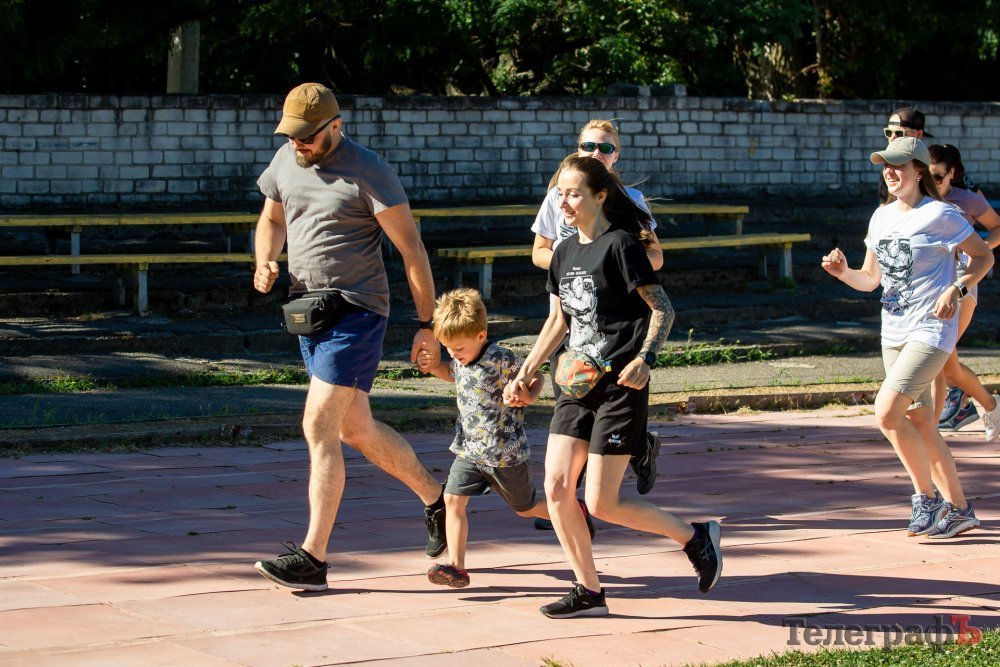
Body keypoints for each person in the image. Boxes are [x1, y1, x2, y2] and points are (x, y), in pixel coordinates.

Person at [251, 83, 447, 591]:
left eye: (307, 136)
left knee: (318, 424)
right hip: (308, 312)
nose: (298, 144)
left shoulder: (369, 170)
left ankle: (313, 557)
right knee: (354, 430)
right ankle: (437, 498)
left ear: (336, 125)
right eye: (291, 135)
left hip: (358, 313)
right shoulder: (285, 159)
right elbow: (271, 219)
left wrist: (427, 325)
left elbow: (412, 250)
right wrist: (265, 258)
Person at [507, 156, 722, 618]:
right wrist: (526, 370)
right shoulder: (562, 252)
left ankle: (694, 537)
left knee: (601, 503)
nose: (564, 202)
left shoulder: (621, 244)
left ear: (600, 196)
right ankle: (589, 590)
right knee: (557, 489)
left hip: (621, 384)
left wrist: (646, 359)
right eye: (560, 194)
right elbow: (558, 321)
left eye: (574, 193)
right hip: (575, 385)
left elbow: (663, 308)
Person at [822, 137, 994, 540]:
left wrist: (958, 288)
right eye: (885, 165)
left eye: (898, 165)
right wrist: (843, 273)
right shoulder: (880, 217)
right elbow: (871, 280)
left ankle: (925, 499)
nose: (890, 171)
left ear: (919, 170)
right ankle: (959, 509)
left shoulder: (941, 214)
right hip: (893, 333)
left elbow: (984, 256)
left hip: (931, 331)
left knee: (886, 413)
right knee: (920, 422)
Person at [416, 288, 595, 588]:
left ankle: (573, 510)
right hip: (470, 451)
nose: (454, 355)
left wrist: (528, 395)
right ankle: (457, 567)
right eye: (448, 349)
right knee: (452, 500)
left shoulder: (500, 358)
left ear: (481, 336)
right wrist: (434, 366)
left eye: (458, 348)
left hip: (505, 454)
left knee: (525, 508)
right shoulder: (461, 358)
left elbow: (535, 376)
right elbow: (453, 372)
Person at [531, 119, 663, 497]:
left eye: (605, 148)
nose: (596, 153)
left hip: (611, 316)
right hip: (568, 312)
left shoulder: (629, 200)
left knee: (609, 394)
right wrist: (573, 258)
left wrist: (608, 262)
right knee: (570, 396)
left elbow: (655, 256)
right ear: (578, 149)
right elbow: (539, 252)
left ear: (616, 156)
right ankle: (568, 497)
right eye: (589, 146)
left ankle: (633, 448)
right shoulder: (559, 196)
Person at [928, 144, 1000, 437]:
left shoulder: (966, 199)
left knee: (936, 357)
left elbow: (997, 227)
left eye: (938, 177)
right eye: (926, 176)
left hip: (961, 282)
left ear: (952, 173)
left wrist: (979, 249)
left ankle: (929, 434)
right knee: (948, 367)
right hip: (928, 284)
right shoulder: (917, 197)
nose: (932, 183)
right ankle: (990, 404)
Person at [878, 107, 933, 206]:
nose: (892, 138)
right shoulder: (888, 169)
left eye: (899, 133)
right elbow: (884, 203)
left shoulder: (936, 164)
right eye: (889, 133)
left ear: (918, 134)